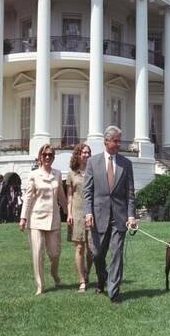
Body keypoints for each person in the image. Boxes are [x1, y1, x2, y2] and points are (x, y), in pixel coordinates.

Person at [84, 125, 136, 303]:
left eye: (120, 140)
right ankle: (102, 277)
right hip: (98, 216)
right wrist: (88, 213)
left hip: (119, 217)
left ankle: (114, 291)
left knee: (117, 254)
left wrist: (131, 216)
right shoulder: (92, 162)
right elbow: (87, 192)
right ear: (106, 141)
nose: (119, 144)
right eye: (116, 141)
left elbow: (130, 193)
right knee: (97, 254)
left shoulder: (126, 163)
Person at [19, 144, 67, 296]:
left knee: (54, 253)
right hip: (36, 219)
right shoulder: (33, 175)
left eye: (50, 155)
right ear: (40, 157)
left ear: (53, 158)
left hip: (53, 219)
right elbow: (27, 198)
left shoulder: (58, 174)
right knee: (37, 253)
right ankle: (40, 285)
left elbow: (61, 196)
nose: (47, 157)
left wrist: (68, 212)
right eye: (45, 154)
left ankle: (54, 274)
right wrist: (23, 218)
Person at [66, 143, 93, 292]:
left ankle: (87, 271)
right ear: (78, 154)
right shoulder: (71, 173)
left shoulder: (93, 171)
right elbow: (69, 195)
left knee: (92, 250)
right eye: (84, 152)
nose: (87, 155)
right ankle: (82, 280)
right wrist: (69, 213)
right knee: (79, 247)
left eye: (88, 153)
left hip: (90, 213)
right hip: (76, 212)